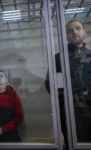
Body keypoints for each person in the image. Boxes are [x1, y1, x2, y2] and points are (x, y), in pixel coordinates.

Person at [46, 20, 91, 148]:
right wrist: (66, 99)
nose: (74, 32)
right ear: (65, 35)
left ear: (84, 32)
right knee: (72, 144)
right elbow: (50, 83)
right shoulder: (58, 58)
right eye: (70, 30)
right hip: (70, 113)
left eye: (78, 28)